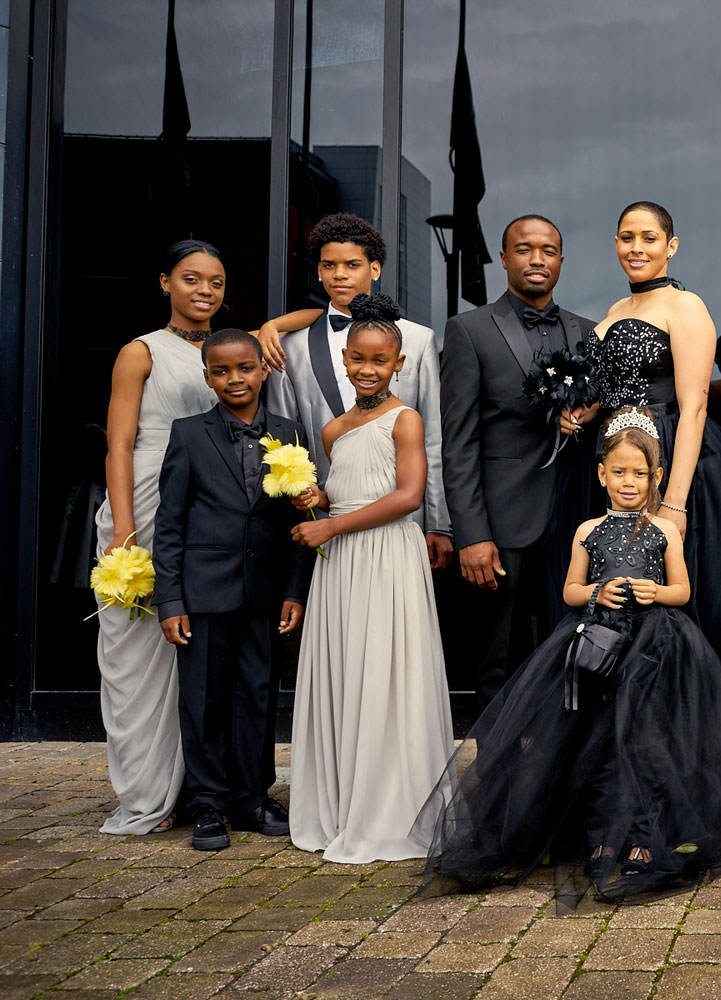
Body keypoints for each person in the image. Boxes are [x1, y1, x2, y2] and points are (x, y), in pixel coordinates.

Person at [416, 410, 721, 900]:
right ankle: (603, 839)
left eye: (640, 474)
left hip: (655, 649)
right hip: (597, 644)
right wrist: (595, 593)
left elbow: (683, 591)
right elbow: (569, 590)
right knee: (600, 741)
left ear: (657, 478)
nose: (629, 482)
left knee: (647, 741)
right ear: (601, 473)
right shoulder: (587, 530)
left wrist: (655, 591)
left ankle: (644, 841)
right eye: (619, 472)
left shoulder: (665, 531)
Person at [583, 201, 721, 837]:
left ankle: (707, 795)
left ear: (671, 245)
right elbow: (601, 400)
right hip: (621, 477)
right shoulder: (610, 317)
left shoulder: (687, 307)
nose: (637, 247)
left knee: (700, 632)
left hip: (684, 479)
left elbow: (697, 404)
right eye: (626, 237)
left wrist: (670, 506)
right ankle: (640, 788)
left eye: (649, 237)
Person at [287, 293, 455, 864]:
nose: (365, 369)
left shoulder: (405, 419)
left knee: (386, 669)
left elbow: (407, 497)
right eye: (357, 359)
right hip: (342, 568)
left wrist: (331, 529)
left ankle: (390, 805)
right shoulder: (333, 431)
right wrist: (318, 500)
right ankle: (343, 799)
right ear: (345, 360)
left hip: (386, 556)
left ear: (398, 364)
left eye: (378, 361)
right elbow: (347, 490)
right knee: (348, 668)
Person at [153, 329, 315, 850]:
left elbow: (297, 522)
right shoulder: (189, 433)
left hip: (265, 592)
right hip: (203, 594)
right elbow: (170, 522)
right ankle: (207, 803)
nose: (234, 379)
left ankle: (252, 796)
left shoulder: (289, 434)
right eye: (221, 372)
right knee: (203, 699)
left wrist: (294, 590)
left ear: (262, 370)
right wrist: (170, 600)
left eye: (244, 368)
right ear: (207, 378)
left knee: (258, 695)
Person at [94, 239, 226, 835]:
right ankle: (146, 788)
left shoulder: (231, 353)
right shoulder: (140, 352)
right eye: (192, 278)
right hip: (144, 501)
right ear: (164, 282)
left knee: (193, 649)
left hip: (203, 507)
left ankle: (196, 785)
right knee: (133, 655)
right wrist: (124, 528)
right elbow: (118, 444)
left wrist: (284, 319)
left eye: (217, 282)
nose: (205, 290)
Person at [439, 214, 596, 705]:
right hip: (502, 524)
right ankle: (494, 778)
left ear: (561, 261)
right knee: (497, 658)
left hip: (577, 516)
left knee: (576, 650)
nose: (536, 259)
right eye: (524, 250)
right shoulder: (468, 330)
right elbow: (458, 441)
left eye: (547, 250)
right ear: (505, 259)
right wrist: (472, 534)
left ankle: (561, 770)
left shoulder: (589, 332)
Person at [261, 213, 452, 572]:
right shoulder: (292, 346)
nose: (340, 274)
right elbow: (287, 437)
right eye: (328, 265)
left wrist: (438, 522)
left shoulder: (418, 339)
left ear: (375, 269)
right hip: (327, 516)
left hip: (403, 521)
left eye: (352, 265)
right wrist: (307, 504)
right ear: (318, 271)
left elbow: (434, 439)